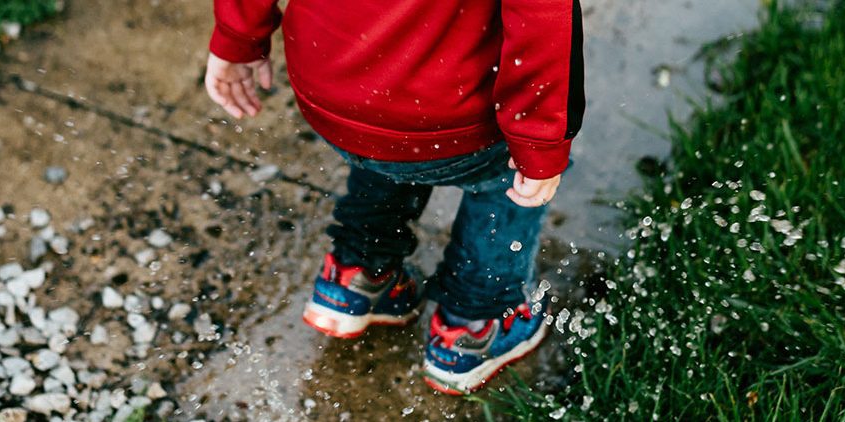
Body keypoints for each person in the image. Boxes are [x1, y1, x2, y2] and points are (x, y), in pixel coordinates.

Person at [204, 0, 584, 395]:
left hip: (332, 86)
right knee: (503, 179)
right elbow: (541, 14)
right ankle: (475, 322)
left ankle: (359, 272)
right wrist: (538, 141)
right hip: (450, 110)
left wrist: (237, 37)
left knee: (386, 126)